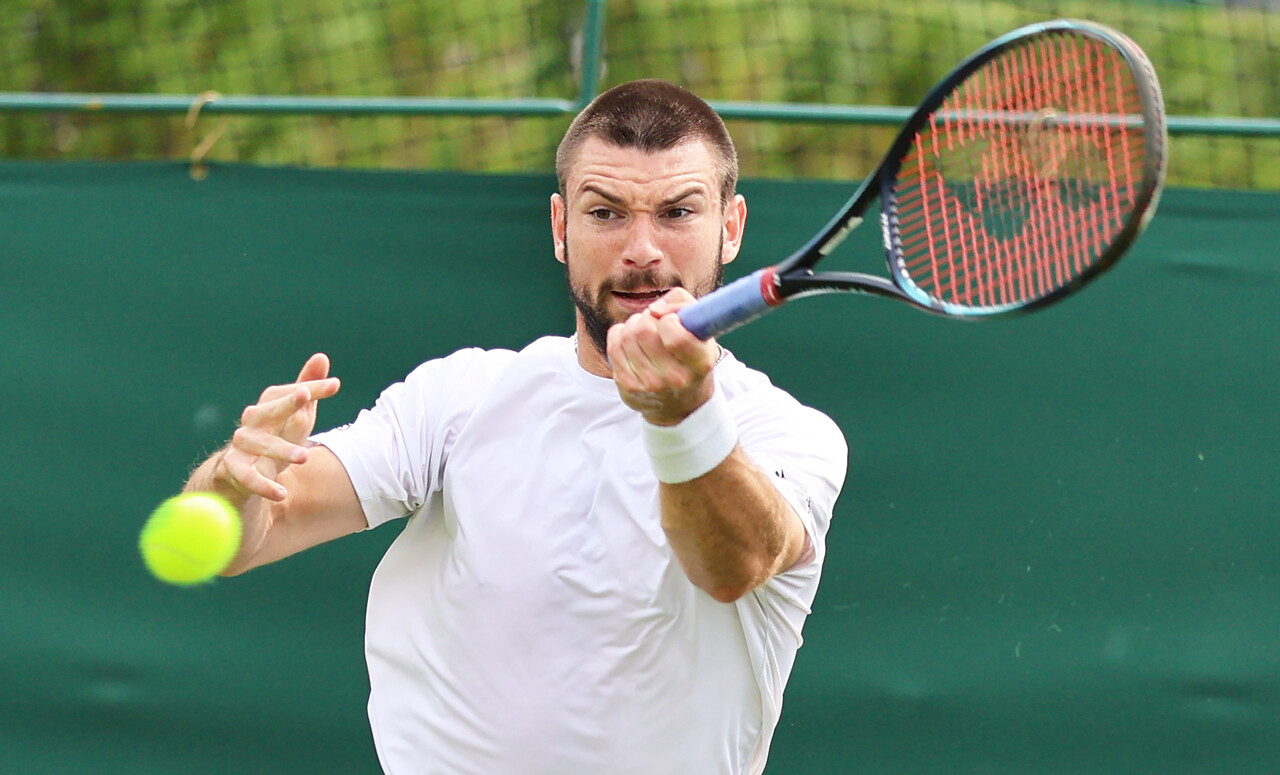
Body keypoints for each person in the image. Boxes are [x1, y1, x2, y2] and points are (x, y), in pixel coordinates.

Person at [183, 79, 847, 774]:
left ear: (730, 227)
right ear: (561, 228)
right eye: (606, 212)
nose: (642, 249)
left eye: (677, 212)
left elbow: (732, 564)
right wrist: (233, 481)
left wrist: (683, 413)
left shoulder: (788, 434)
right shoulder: (459, 396)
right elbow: (250, 535)